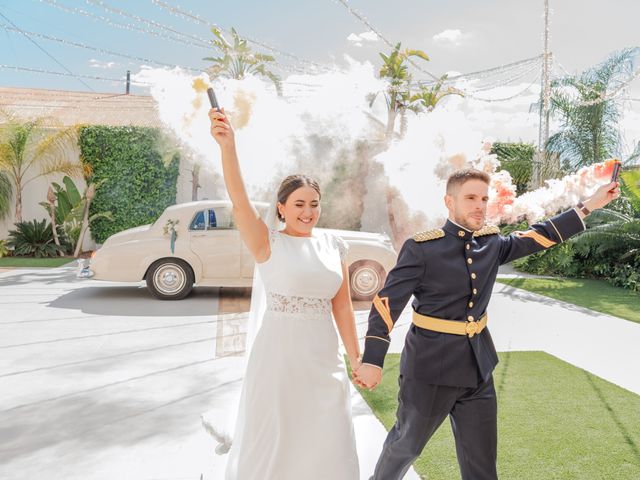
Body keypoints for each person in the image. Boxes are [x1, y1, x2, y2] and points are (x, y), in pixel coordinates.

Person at [353, 168, 620, 480]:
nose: (479, 205)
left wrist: (590, 204)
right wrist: (372, 359)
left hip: (478, 368)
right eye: (470, 198)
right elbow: (387, 304)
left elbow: (538, 235)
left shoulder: (490, 243)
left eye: (483, 198)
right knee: (405, 447)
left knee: (481, 465)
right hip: (429, 370)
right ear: (449, 202)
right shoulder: (422, 248)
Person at [208, 107, 361, 480]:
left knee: (329, 431)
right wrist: (228, 147)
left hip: (323, 357)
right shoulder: (267, 243)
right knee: (275, 434)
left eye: (313, 203)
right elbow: (240, 200)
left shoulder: (333, 245)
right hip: (278, 358)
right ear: (281, 208)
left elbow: (342, 307)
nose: (307, 211)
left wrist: (357, 359)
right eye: (298, 204)